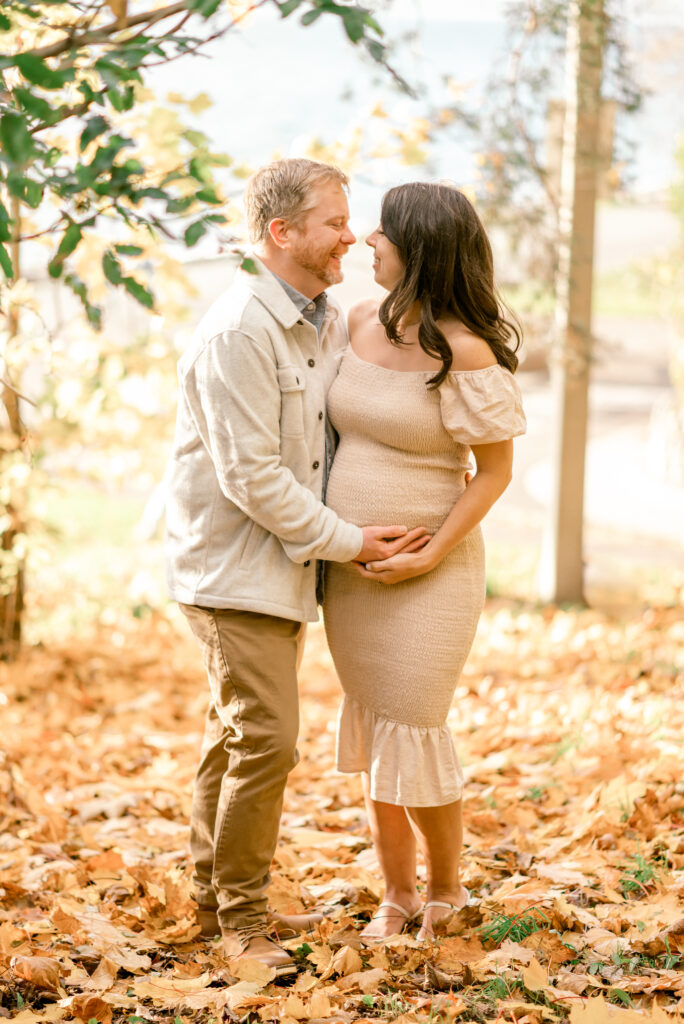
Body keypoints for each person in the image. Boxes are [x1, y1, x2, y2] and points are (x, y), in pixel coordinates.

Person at [164, 159, 429, 974]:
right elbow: (253, 478)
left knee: (236, 735)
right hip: (231, 571)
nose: (351, 234)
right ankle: (243, 922)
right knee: (269, 740)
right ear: (282, 234)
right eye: (334, 222)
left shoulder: (317, 317)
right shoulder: (239, 330)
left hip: (279, 570)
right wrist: (350, 541)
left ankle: (214, 901)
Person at [323, 181, 526, 943]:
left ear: (420, 250)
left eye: (383, 231)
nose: (367, 240)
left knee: (415, 721)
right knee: (379, 727)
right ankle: (396, 894)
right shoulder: (353, 323)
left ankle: (446, 888)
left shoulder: (463, 348)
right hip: (353, 574)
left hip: (431, 576)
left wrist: (430, 553)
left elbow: (495, 473)